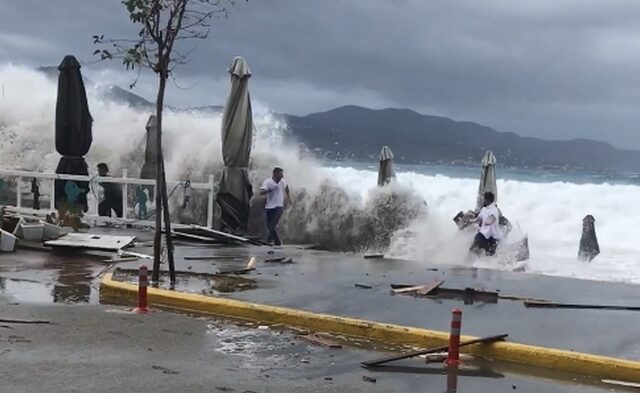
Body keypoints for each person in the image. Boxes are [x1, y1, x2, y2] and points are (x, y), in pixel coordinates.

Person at [260, 167, 291, 246]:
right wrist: (270, 189)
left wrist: (288, 197)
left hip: (279, 207)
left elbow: (287, 187)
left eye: (282, 174)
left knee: (271, 226)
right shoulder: (268, 182)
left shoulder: (282, 182)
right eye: (280, 174)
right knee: (269, 227)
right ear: (275, 174)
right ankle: (269, 240)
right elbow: (261, 192)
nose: (282, 176)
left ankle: (277, 242)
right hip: (269, 207)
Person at [469, 191, 503, 256]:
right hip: (483, 234)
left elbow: (492, 219)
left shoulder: (494, 210)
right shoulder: (484, 209)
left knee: (490, 254)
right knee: (473, 248)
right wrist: (471, 221)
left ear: (487, 200)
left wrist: (488, 222)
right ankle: (472, 261)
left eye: (484, 199)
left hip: (493, 236)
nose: (483, 200)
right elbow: (479, 218)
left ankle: (487, 264)